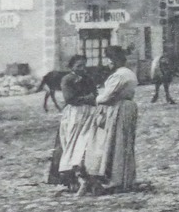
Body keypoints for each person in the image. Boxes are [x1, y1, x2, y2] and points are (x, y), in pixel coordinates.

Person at [80, 47, 140, 195]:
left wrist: (95, 98)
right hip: (128, 107)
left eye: (108, 60)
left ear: (114, 60)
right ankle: (125, 178)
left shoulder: (118, 76)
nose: (107, 63)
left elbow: (106, 97)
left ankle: (117, 179)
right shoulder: (129, 73)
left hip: (118, 108)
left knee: (117, 143)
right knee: (124, 143)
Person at [46, 56, 98, 190]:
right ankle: (69, 179)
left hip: (89, 113)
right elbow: (70, 98)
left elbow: (95, 93)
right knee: (70, 142)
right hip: (74, 114)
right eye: (78, 66)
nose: (82, 69)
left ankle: (87, 175)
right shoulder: (67, 79)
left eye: (84, 66)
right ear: (71, 67)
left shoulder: (88, 77)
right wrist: (89, 98)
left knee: (86, 142)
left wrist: (93, 98)